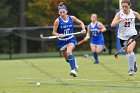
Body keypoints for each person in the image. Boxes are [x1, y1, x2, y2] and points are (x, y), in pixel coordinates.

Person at [52, 2, 86, 77]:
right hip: (62, 41)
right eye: (60, 12)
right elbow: (54, 32)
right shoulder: (57, 21)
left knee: (69, 52)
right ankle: (74, 63)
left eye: (63, 12)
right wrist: (59, 35)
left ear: (66, 11)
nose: (62, 14)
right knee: (67, 59)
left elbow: (81, 23)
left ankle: (73, 70)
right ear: (59, 13)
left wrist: (83, 29)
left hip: (71, 39)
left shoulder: (72, 18)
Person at [111, 0, 140, 76]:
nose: (124, 8)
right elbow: (112, 24)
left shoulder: (134, 13)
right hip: (122, 37)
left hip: (132, 35)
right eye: (123, 6)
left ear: (129, 6)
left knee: (130, 50)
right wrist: (119, 20)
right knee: (128, 52)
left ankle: (131, 70)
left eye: (126, 6)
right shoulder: (119, 14)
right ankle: (134, 63)